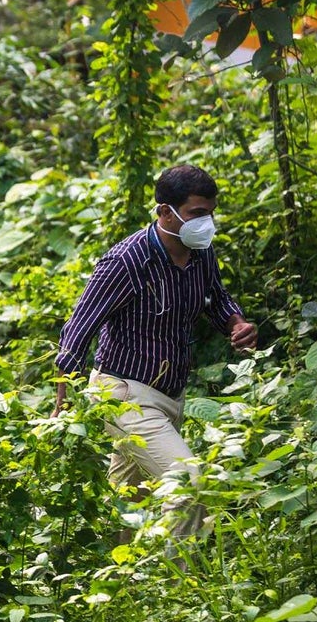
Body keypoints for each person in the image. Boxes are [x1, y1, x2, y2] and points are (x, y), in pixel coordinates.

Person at [53, 165, 257, 538]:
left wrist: (236, 324)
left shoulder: (200, 252)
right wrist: (63, 395)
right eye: (197, 213)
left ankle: (115, 584)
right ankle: (180, 586)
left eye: (211, 213)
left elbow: (216, 298)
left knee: (126, 500)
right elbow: (80, 325)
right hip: (125, 394)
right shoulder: (126, 262)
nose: (207, 222)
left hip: (171, 393)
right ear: (166, 211)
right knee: (188, 482)